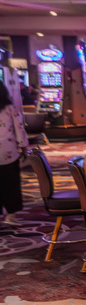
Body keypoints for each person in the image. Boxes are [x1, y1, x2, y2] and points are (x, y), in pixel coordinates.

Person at [0, 82, 27, 225]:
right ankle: (10, 215)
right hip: (9, 152)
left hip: (7, 152)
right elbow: (19, 129)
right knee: (11, 184)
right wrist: (22, 146)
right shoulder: (11, 109)